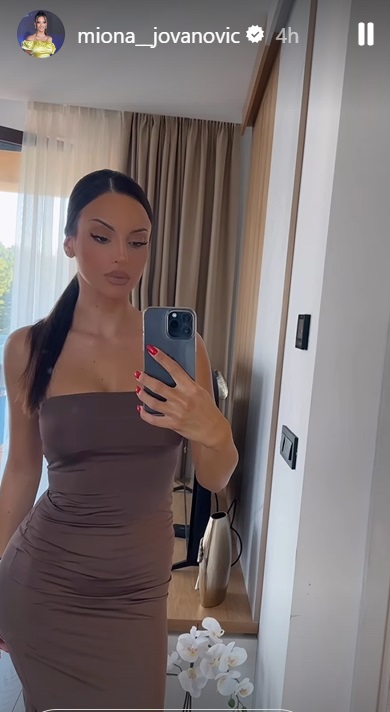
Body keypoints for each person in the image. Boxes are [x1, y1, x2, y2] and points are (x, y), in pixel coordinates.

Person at [0, 169, 238, 710]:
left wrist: (215, 429)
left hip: (137, 594)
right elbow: (21, 471)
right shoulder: (28, 349)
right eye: (101, 237)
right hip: (43, 585)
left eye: (138, 241)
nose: (121, 257)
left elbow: (212, 475)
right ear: (70, 242)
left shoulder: (184, 352)